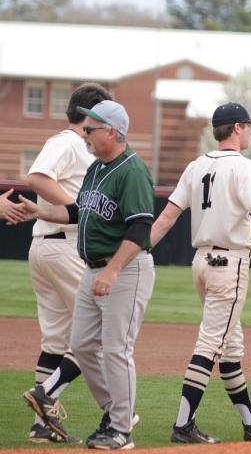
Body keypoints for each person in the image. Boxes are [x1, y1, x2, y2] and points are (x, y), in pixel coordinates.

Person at [150, 102, 251, 444]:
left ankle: (250, 422)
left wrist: (141, 251)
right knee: (211, 345)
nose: (250, 131)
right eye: (247, 126)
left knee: (230, 348)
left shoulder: (196, 166)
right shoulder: (242, 168)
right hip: (227, 265)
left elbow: (167, 217)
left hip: (201, 263)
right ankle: (183, 426)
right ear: (235, 128)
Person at [16, 100, 156, 450]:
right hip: (94, 268)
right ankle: (114, 413)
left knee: (116, 349)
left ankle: (121, 432)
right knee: (80, 344)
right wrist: (40, 211)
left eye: (91, 129)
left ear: (112, 131)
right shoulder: (96, 168)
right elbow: (79, 211)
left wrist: (111, 270)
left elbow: (140, 229)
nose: (86, 134)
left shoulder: (132, 170)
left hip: (123, 269)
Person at [8, 83, 110, 444]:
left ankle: (41, 426)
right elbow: (36, 177)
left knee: (55, 340)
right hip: (63, 246)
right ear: (91, 113)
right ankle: (56, 398)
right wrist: (77, 209)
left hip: (47, 246)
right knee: (97, 333)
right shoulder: (66, 141)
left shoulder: (77, 145)